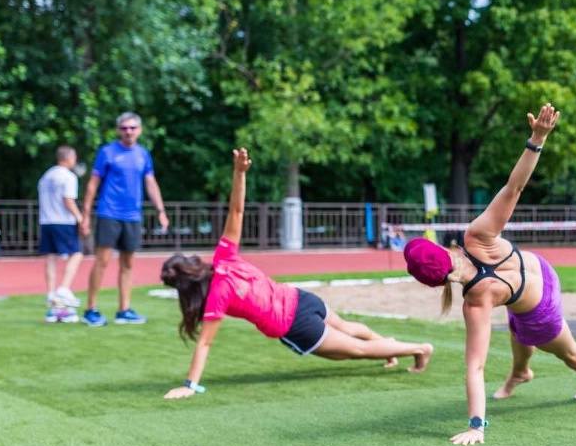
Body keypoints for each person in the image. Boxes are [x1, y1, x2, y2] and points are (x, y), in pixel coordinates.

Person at [403, 104, 576, 446]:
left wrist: (477, 426)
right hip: (540, 269)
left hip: (541, 308)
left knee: (568, 351)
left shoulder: (476, 300)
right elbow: (513, 188)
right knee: (517, 322)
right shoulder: (475, 235)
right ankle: (521, 372)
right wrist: (537, 139)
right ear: (445, 249)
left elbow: (475, 367)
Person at [161, 149, 432, 400]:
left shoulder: (216, 297)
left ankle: (417, 349)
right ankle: (389, 346)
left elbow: (205, 343)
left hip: (293, 324)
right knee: (348, 329)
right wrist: (239, 173)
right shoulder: (224, 256)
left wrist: (189, 385)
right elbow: (237, 211)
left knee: (353, 351)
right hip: (301, 298)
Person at [80, 112, 168, 326]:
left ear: (139, 130)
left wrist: (161, 210)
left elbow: (150, 182)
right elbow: (93, 184)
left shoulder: (143, 155)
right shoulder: (107, 152)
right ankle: (91, 309)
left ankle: (124, 310)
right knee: (102, 261)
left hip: (132, 215)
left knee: (128, 263)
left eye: (132, 128)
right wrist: (85, 215)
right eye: (124, 128)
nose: (128, 132)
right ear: (118, 130)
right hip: (109, 212)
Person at [37, 145, 85, 322]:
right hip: (63, 221)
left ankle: (53, 299)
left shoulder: (46, 176)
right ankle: (64, 289)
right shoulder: (68, 176)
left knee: (51, 257)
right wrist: (80, 218)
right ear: (69, 159)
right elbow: (68, 201)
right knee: (76, 254)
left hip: (46, 220)